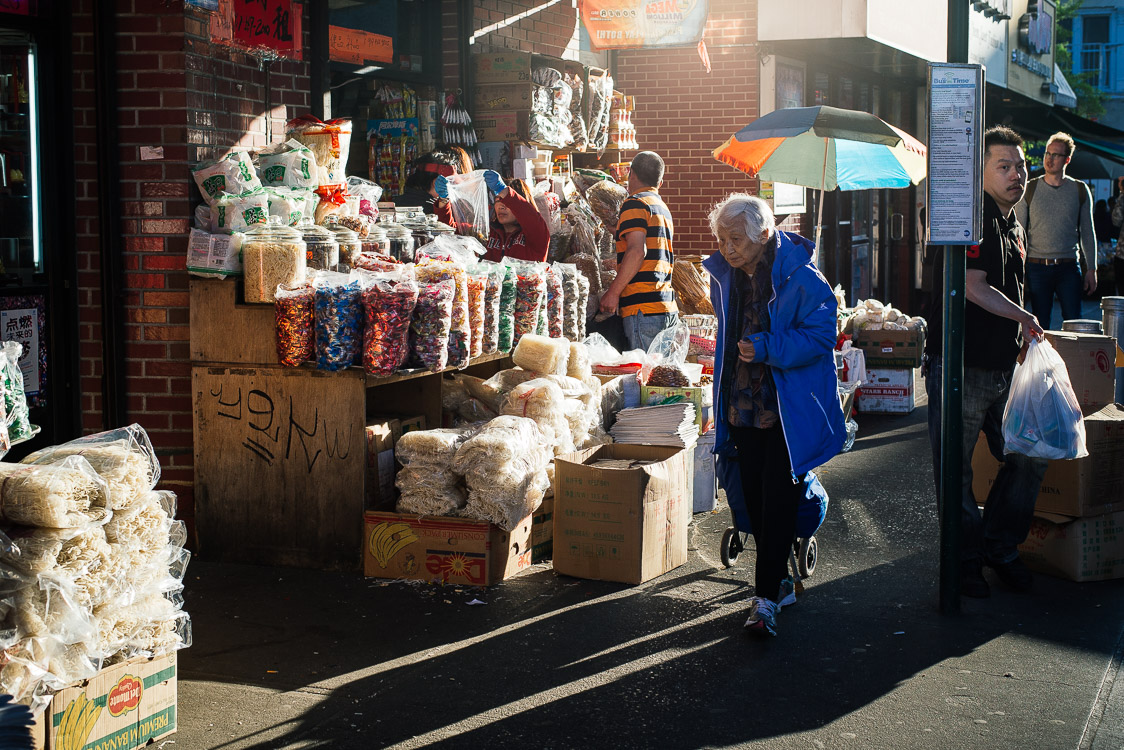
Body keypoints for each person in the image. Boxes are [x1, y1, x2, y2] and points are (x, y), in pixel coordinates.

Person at [703, 193, 845, 637]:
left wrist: (768, 348)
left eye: (735, 238)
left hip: (787, 407)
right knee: (753, 498)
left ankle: (764, 599)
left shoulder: (804, 278)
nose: (727, 247)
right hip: (742, 404)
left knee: (778, 496)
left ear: (763, 233)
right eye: (722, 238)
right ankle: (779, 583)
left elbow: (822, 335)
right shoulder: (725, 277)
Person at [922, 126, 1048, 599]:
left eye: (1021, 166)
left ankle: (999, 546)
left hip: (1002, 366)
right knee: (956, 472)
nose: (1018, 174)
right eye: (1005, 166)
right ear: (981, 172)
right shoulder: (969, 214)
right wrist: (1025, 316)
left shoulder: (1011, 220)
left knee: (1029, 453)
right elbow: (973, 286)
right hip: (960, 365)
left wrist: (1018, 333)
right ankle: (965, 561)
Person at [1013, 132, 1096, 330]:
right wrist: (1018, 268)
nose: (1049, 159)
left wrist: (1092, 268)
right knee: (1039, 323)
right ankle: (1042, 362)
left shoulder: (1080, 190)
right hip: (1037, 265)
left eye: (1056, 155)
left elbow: (1087, 232)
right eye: (1047, 153)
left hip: (1068, 265)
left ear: (1067, 159)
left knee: (1074, 321)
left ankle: (1072, 360)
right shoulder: (1030, 189)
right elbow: (1019, 232)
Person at [599, 151, 678, 351]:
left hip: (643, 309)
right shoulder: (660, 206)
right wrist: (618, 232)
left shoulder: (635, 203)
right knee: (660, 377)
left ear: (631, 174)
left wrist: (613, 292)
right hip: (664, 305)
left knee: (645, 376)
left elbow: (636, 251)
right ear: (660, 182)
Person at [442, 170, 549, 263]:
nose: (501, 206)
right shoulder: (486, 233)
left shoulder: (537, 235)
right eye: (498, 200)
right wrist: (443, 201)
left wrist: (503, 190)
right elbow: (448, 231)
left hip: (527, 286)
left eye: (507, 202)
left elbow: (530, 217)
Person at [392, 151, 459, 225]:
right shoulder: (433, 211)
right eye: (451, 182)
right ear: (436, 182)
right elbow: (450, 230)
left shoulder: (396, 202)